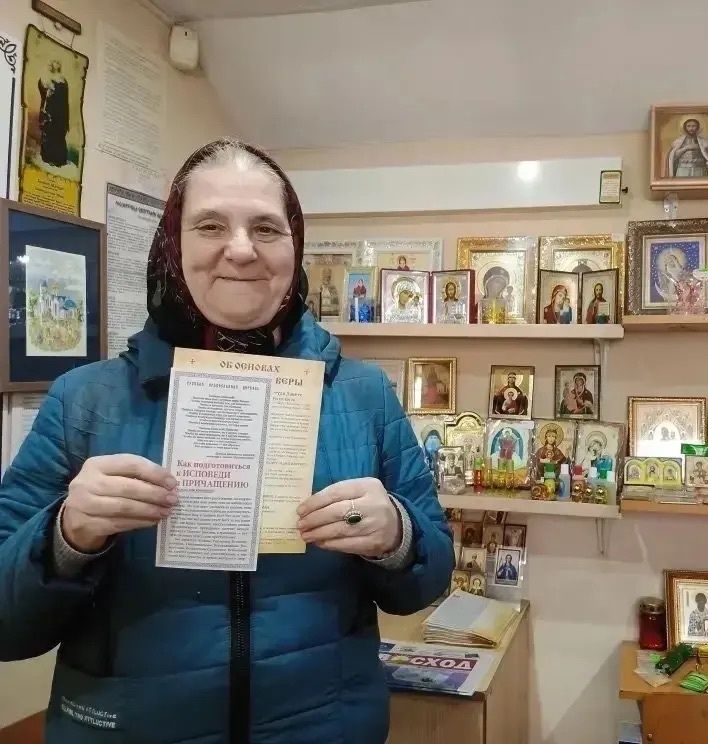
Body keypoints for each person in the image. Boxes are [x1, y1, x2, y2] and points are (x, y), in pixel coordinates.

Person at [0, 140, 454, 742]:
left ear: (295, 246)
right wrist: (65, 536)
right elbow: (7, 627)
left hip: (323, 727)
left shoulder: (365, 396)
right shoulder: (84, 401)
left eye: (266, 228)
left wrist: (398, 536)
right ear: (173, 243)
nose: (241, 249)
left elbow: (429, 581)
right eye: (211, 225)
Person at [38, 60, 70, 167]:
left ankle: (59, 160)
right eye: (54, 64)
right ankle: (48, 158)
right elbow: (44, 95)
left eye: (57, 64)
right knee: (49, 135)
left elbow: (65, 101)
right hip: (51, 111)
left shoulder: (63, 80)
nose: (56, 65)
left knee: (59, 136)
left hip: (60, 113)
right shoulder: (47, 79)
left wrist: (66, 120)